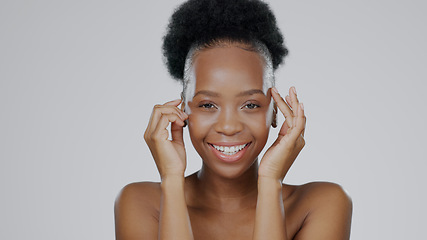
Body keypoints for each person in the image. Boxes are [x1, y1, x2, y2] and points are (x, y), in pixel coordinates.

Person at [114, 0, 352, 239]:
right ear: (183, 110)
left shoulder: (320, 204)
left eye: (250, 105)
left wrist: (271, 182)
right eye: (208, 105)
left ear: (275, 111)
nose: (229, 127)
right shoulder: (142, 202)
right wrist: (172, 181)